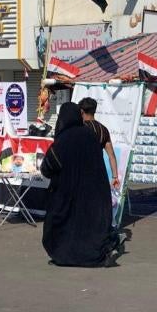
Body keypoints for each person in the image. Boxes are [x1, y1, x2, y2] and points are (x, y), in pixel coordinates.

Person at [40, 102, 115, 268]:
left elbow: (48, 167)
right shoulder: (90, 136)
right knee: (89, 224)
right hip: (94, 193)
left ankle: (63, 256)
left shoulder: (62, 140)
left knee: (62, 222)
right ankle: (95, 256)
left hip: (66, 193)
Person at [78, 97, 121, 190]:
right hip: (98, 173)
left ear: (81, 111)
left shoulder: (79, 128)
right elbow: (111, 156)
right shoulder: (103, 129)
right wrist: (115, 177)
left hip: (81, 174)